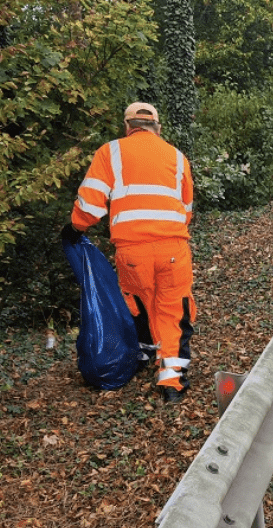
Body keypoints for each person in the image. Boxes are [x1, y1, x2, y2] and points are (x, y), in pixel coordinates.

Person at [61, 102, 195, 403]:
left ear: (127, 126)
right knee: (173, 309)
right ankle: (171, 382)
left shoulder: (110, 153)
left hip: (132, 252)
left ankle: (142, 355)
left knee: (138, 304)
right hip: (173, 247)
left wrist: (75, 228)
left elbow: (91, 203)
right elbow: (186, 210)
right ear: (157, 128)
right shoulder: (177, 156)